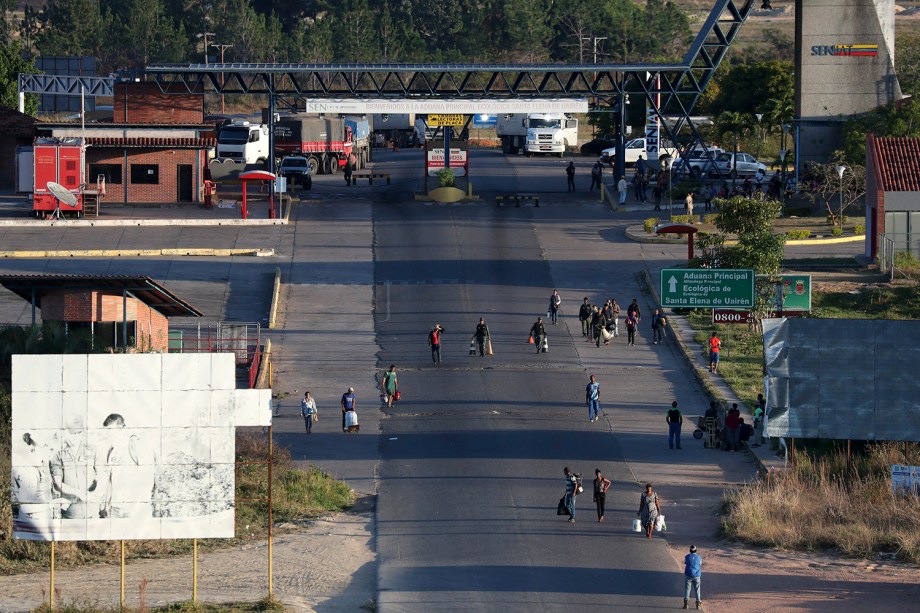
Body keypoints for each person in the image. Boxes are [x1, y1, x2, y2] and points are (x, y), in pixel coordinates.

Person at [50, 429, 97, 520]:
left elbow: (101, 476)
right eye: (71, 433)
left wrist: (96, 494)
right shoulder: (57, 454)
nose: (74, 436)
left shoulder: (93, 449)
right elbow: (58, 484)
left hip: (93, 510)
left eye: (77, 432)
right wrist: (79, 493)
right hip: (71, 512)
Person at [683, 545, 702, 609]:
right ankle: (698, 604)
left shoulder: (687, 556)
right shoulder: (699, 557)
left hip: (688, 575)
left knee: (687, 589)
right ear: (696, 550)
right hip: (697, 576)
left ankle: (686, 604)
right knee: (697, 590)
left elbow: (685, 562)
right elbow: (700, 564)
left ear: (690, 550)